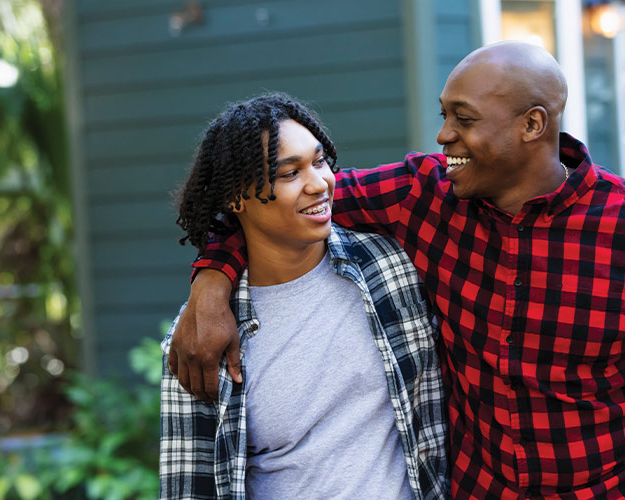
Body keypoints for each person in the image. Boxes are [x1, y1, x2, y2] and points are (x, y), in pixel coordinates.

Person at [174, 42, 625, 498]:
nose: (443, 135)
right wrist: (213, 278)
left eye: (463, 119)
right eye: (443, 115)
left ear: (532, 126)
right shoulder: (423, 194)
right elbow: (279, 206)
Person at [160, 94, 448, 499]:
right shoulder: (201, 338)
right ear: (236, 199)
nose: (319, 183)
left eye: (319, 162)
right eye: (289, 173)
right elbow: (189, 488)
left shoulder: (388, 269)